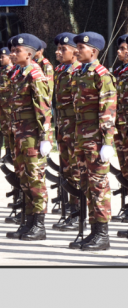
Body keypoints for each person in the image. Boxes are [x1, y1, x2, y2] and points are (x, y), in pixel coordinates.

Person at [69, 32, 116, 251]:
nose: (76, 50)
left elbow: (107, 109)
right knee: (87, 184)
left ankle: (102, 234)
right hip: (82, 136)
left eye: (80, 47)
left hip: (96, 138)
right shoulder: (78, 72)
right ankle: (93, 230)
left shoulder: (102, 74)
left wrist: (107, 141)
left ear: (93, 51)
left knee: (99, 185)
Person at [5, 34, 52, 242]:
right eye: (12, 50)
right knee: (24, 178)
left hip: (32, 134)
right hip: (20, 133)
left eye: (17, 51)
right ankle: (29, 221)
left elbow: (43, 109)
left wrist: (45, 137)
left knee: (35, 178)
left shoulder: (35, 75)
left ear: (30, 54)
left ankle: (39, 225)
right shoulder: (17, 74)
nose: (13, 54)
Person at [51, 33, 82, 231]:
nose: (58, 52)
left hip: (77, 128)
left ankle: (79, 213)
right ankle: (71, 210)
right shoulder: (61, 71)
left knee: (77, 171)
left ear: (75, 51)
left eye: (63, 49)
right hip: (63, 126)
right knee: (67, 170)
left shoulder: (79, 71)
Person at [115, 35, 128, 230]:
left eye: (124, 48)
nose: (119, 51)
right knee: (125, 168)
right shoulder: (118, 71)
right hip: (120, 126)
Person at [0, 47, 14, 161]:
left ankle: (12, 152)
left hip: (9, 104)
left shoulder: (13, 70)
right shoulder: (1, 70)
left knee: (10, 128)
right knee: (4, 128)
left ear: (9, 57)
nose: (0, 59)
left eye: (3, 57)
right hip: (2, 103)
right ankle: (7, 152)